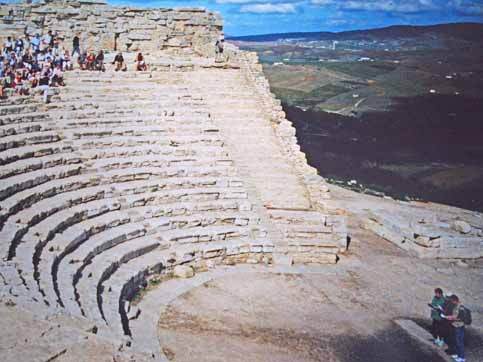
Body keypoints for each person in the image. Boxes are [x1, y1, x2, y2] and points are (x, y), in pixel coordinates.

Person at [445, 295, 466, 362]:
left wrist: (450, 318)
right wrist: (450, 317)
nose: (451, 302)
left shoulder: (460, 307)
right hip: (455, 325)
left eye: (452, 301)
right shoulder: (456, 306)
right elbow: (455, 315)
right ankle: (458, 354)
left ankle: (462, 357)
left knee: (460, 342)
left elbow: (460, 317)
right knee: (456, 341)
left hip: (459, 326)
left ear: (455, 300)